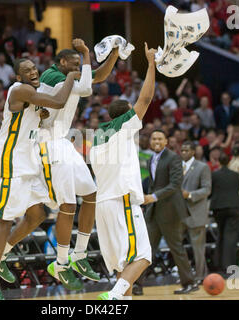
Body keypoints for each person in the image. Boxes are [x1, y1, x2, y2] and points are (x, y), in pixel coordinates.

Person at [0, 58, 78, 300]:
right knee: (5, 219)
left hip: (26, 162)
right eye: (27, 71)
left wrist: (38, 114)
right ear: (18, 77)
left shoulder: (31, 93)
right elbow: (60, 102)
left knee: (37, 215)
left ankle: (1, 256)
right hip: (10, 162)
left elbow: (35, 116)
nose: (33, 72)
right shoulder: (21, 90)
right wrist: (72, 76)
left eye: (34, 68)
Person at [35, 39, 119, 290]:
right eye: (73, 63)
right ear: (61, 62)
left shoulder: (70, 73)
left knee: (91, 193)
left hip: (62, 139)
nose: (77, 66)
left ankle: (80, 254)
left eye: (78, 63)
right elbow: (85, 88)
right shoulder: (51, 75)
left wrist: (114, 53)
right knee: (68, 203)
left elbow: (99, 75)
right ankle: (60, 264)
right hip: (44, 142)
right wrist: (85, 52)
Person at [90, 43, 156, 300]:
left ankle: (120, 300)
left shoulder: (96, 137)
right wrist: (151, 64)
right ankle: (115, 296)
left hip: (103, 204)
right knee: (143, 256)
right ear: (127, 115)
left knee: (123, 265)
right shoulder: (124, 127)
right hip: (122, 200)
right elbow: (146, 99)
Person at [139, 129, 198, 295]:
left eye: (160, 138)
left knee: (176, 248)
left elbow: (174, 185)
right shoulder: (151, 158)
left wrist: (153, 197)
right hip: (154, 211)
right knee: (146, 249)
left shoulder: (173, 158)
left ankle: (189, 283)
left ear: (166, 141)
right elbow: (152, 184)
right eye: (154, 138)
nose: (156, 141)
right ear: (150, 142)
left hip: (171, 211)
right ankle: (136, 285)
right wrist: (148, 200)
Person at [180, 141, 212, 284]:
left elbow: (207, 189)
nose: (184, 152)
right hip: (178, 214)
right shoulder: (176, 167)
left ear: (193, 151)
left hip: (196, 212)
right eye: (182, 150)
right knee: (178, 248)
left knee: (198, 249)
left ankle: (200, 276)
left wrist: (190, 195)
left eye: (187, 150)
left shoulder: (202, 167)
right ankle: (186, 277)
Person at [210, 152, 239, 271]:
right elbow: (237, 189)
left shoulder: (214, 175)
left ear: (218, 162)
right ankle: (229, 265)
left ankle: (218, 263)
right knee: (230, 236)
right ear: (229, 162)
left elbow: (211, 191)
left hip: (218, 208)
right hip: (234, 206)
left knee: (220, 234)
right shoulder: (235, 175)